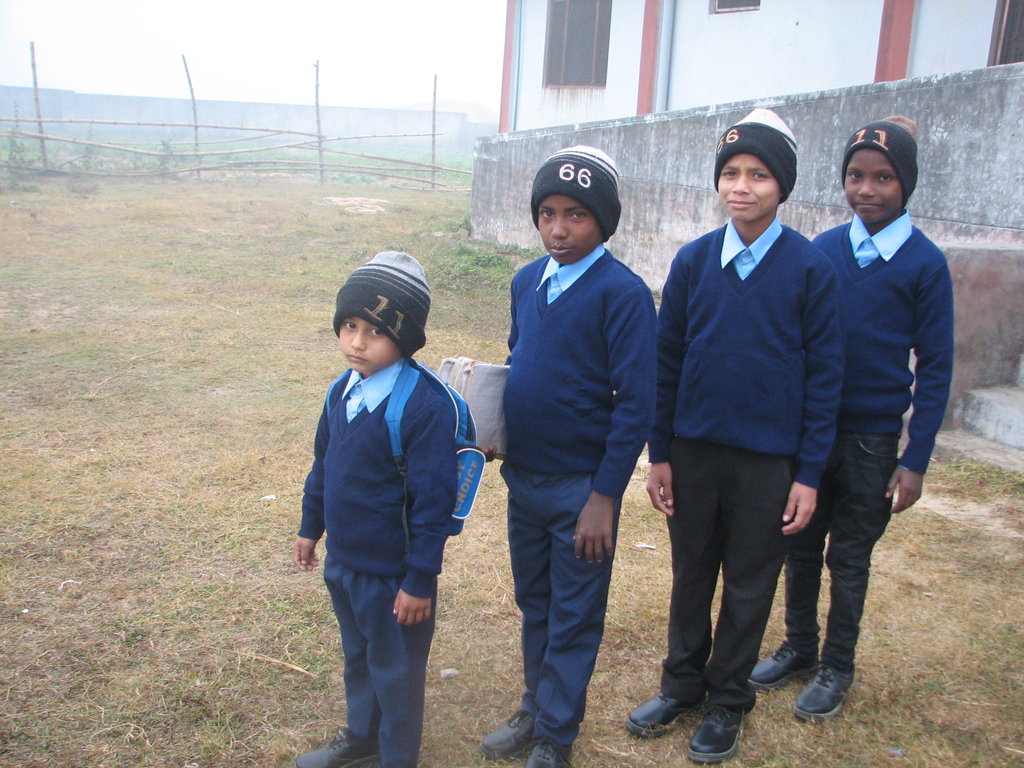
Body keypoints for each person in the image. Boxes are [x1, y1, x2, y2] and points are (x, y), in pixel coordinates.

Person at [625, 109, 844, 764]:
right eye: (730, 172)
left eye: (757, 174)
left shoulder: (809, 270)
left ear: (783, 185)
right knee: (691, 572)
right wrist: (659, 453)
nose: (741, 186)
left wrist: (807, 474)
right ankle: (682, 684)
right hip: (692, 454)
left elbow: (826, 379)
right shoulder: (693, 263)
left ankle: (726, 702)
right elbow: (665, 363)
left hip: (767, 464)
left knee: (749, 583)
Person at [749, 116, 955, 722]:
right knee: (800, 542)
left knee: (851, 556)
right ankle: (800, 648)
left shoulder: (924, 264)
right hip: (812, 430)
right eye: (855, 176)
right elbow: (793, 336)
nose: (866, 189)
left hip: (871, 439)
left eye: (883, 178)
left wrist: (913, 460)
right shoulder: (823, 252)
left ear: (905, 183)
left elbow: (937, 366)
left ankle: (838, 665)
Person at [480, 146, 657, 768]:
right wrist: (494, 430)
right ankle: (534, 704)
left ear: (603, 222)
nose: (559, 228)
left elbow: (636, 403)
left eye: (577, 215)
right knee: (536, 601)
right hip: (523, 480)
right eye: (548, 213)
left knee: (576, 611)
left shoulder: (623, 295)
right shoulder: (527, 281)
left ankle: (556, 734)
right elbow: (519, 361)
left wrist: (604, 497)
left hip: (582, 492)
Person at [293, 251, 456, 768]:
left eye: (376, 332)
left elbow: (434, 505)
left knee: (397, 670)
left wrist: (419, 581)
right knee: (358, 656)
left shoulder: (421, 408)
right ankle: (361, 735)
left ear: (404, 339)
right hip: (345, 563)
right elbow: (324, 465)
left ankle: (396, 755)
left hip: (393, 577)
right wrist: (310, 527)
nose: (357, 342)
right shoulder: (340, 392)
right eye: (349, 325)